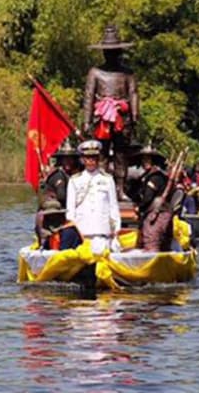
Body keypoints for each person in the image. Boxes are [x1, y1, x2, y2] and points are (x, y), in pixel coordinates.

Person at [82, 25, 139, 200]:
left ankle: (120, 189)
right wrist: (86, 121)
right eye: (108, 52)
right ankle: (101, 188)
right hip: (102, 120)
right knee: (102, 154)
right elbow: (89, 96)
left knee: (121, 154)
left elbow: (133, 93)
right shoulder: (95, 72)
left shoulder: (127, 73)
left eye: (114, 52)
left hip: (122, 118)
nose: (111, 55)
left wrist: (135, 116)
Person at [65, 140, 121, 254]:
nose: (91, 161)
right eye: (87, 158)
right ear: (83, 159)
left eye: (94, 158)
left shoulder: (107, 179)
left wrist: (116, 230)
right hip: (82, 232)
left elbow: (113, 206)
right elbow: (70, 210)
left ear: (98, 159)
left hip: (102, 233)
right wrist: (73, 231)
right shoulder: (75, 180)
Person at [131, 144, 173, 252]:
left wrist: (139, 208)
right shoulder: (147, 176)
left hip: (157, 214)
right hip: (157, 213)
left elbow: (148, 197)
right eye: (143, 159)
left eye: (148, 159)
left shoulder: (155, 177)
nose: (145, 162)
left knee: (151, 241)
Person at [42, 141, 80, 208]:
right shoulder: (58, 175)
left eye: (70, 159)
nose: (68, 161)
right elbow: (61, 196)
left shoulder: (76, 174)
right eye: (65, 159)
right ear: (61, 160)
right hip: (57, 208)